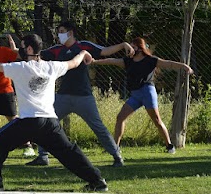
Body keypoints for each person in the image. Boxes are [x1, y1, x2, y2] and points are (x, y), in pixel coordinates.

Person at [0, 34, 108, 192]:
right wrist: (84, 53)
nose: (18, 50)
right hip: (50, 122)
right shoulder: (52, 66)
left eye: (21, 46)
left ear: (29, 49)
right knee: (68, 152)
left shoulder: (21, 68)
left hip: (29, 122)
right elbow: (74, 62)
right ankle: (97, 181)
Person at [24, 21, 134, 167]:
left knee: (98, 127)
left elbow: (105, 51)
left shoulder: (84, 46)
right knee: (46, 123)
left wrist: (123, 44)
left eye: (61, 31)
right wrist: (17, 51)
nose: (59, 34)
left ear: (70, 33)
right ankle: (43, 157)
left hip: (84, 97)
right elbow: (36, 55)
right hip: (63, 96)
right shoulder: (57, 49)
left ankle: (117, 156)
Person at [93, 37, 193, 153]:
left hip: (147, 92)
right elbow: (111, 60)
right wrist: (94, 61)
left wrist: (184, 66)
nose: (130, 49)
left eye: (133, 47)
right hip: (135, 95)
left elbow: (169, 64)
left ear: (140, 48)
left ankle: (170, 146)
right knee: (120, 117)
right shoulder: (128, 61)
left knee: (156, 120)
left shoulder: (150, 60)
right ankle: (115, 147)